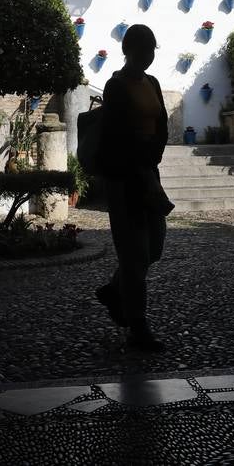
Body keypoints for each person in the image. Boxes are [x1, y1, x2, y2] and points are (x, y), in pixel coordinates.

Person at [95, 23, 174, 352]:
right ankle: (137, 327)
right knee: (134, 253)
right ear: (128, 51)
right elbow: (119, 133)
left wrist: (155, 150)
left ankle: (115, 289)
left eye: (151, 50)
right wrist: (141, 155)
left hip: (148, 172)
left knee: (153, 247)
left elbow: (162, 121)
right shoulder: (115, 86)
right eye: (142, 50)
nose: (148, 56)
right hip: (125, 177)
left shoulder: (152, 83)